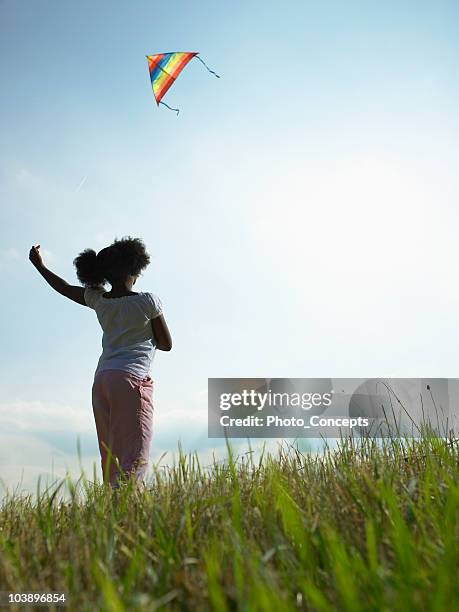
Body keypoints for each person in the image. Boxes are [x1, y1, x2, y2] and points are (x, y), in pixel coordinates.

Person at [29, 236, 172, 489]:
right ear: (134, 269)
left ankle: (112, 508)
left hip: (102, 381)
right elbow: (166, 344)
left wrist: (40, 266)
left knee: (112, 453)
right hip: (131, 381)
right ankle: (130, 510)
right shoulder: (148, 301)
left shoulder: (99, 300)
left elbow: (64, 287)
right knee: (134, 453)